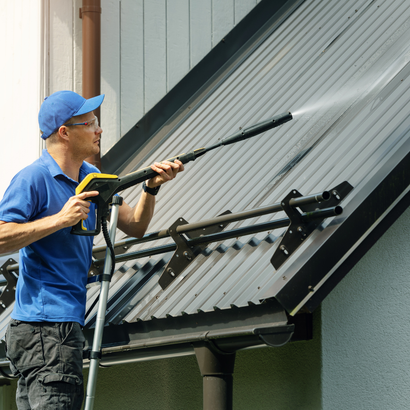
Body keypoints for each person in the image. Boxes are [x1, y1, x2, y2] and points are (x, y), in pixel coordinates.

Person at [0, 90, 184, 409]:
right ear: (65, 133)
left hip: (60, 326)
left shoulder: (93, 178)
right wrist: (59, 220)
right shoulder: (33, 179)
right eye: (91, 123)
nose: (99, 129)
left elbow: (136, 226)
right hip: (45, 327)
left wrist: (150, 189)